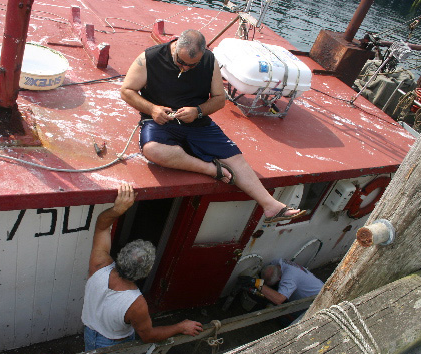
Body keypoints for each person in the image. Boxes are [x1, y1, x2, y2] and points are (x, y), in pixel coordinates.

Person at [120, 29, 306, 223]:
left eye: (192, 65)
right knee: (153, 150)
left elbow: (219, 99)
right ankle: (211, 169)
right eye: (180, 62)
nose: (185, 68)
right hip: (160, 120)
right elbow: (126, 91)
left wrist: (198, 111)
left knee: (236, 159)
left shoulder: (209, 60)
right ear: (175, 47)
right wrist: (152, 109)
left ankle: (272, 207)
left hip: (197, 122)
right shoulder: (150, 57)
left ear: (201, 56)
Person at [81, 183, 203, 350]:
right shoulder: (136, 303)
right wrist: (180, 327)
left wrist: (118, 209)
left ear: (122, 254)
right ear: (145, 273)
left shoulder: (99, 265)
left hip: (89, 333)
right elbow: (148, 336)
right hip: (113, 344)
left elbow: (102, 225)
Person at [239, 258, 324, 305]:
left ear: (280, 279)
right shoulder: (277, 262)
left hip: (318, 300)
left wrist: (257, 283)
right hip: (318, 287)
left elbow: (279, 299)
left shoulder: (289, 278)